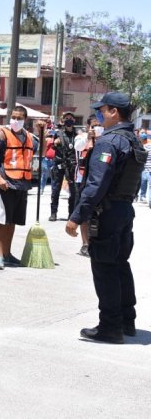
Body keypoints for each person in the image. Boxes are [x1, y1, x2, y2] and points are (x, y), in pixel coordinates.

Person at [65, 92, 146, 344]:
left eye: (103, 110)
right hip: (124, 209)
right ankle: (126, 319)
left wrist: (77, 217)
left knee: (105, 267)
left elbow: (96, 185)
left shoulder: (108, 141)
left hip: (108, 212)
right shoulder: (133, 140)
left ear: (114, 112)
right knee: (121, 264)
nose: (99, 114)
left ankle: (110, 326)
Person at [0, 106, 44, 269]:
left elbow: (39, 152)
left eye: (19, 118)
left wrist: (41, 132)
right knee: (3, 221)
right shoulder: (3, 134)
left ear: (25, 119)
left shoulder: (30, 138)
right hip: (7, 183)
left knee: (12, 221)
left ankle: (8, 254)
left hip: (22, 184)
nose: (15, 120)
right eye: (13, 117)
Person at [73, 116, 104, 257]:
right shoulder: (82, 138)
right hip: (82, 180)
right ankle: (85, 244)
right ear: (88, 126)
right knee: (84, 213)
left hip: (99, 182)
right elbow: (78, 147)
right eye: (94, 125)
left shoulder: (105, 140)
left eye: (99, 125)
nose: (96, 128)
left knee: (98, 215)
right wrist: (89, 138)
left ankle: (95, 243)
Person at [49, 111, 78, 221]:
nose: (69, 120)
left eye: (70, 118)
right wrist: (55, 143)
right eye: (66, 118)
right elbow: (53, 147)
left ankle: (71, 214)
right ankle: (53, 213)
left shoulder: (77, 134)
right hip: (60, 165)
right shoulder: (59, 133)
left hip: (71, 166)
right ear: (63, 121)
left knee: (73, 191)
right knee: (56, 190)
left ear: (74, 120)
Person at [40, 128, 56, 195]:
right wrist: (46, 134)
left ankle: (53, 191)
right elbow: (43, 142)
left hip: (54, 160)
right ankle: (41, 189)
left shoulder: (55, 140)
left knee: (53, 176)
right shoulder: (47, 140)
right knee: (44, 175)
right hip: (46, 159)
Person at [138, 129, 150, 201]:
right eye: (141, 133)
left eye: (144, 133)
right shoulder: (138, 143)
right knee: (142, 182)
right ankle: (141, 196)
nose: (142, 134)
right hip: (141, 167)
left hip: (148, 166)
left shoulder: (149, 143)